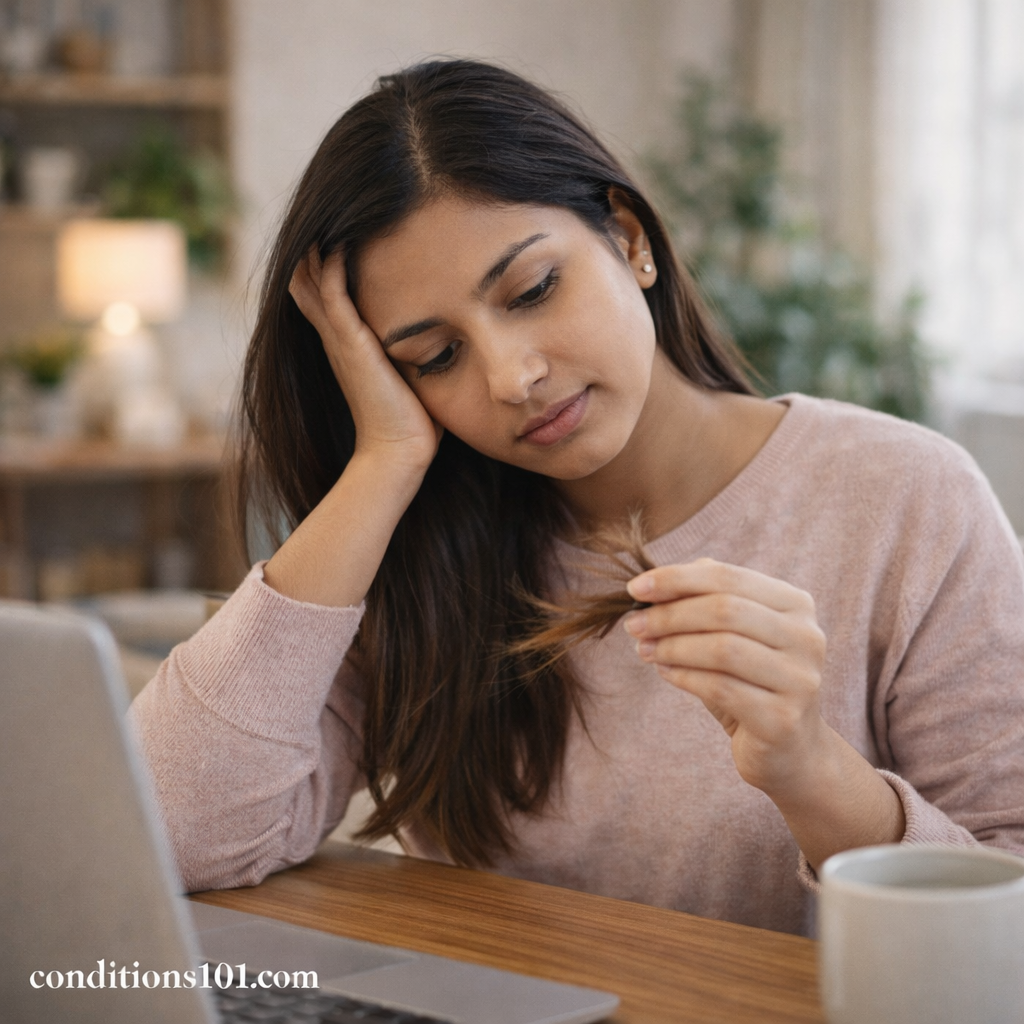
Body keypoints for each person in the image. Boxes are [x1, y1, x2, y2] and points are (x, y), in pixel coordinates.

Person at [128, 59, 1024, 938]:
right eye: (434, 358)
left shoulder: (905, 498)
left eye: (533, 290)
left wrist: (811, 769)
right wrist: (386, 459)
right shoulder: (421, 550)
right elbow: (167, 838)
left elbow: (1006, 908)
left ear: (629, 238)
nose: (513, 378)